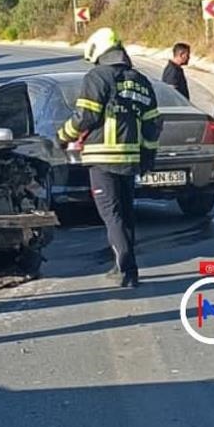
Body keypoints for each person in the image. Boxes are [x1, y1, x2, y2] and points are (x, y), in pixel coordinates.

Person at [58, 27, 162, 288]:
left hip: (102, 158)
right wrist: (148, 154)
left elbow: (86, 117)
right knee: (126, 214)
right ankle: (129, 268)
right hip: (130, 160)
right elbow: (152, 124)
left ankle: (124, 270)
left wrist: (61, 136)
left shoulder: (97, 76)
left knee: (111, 214)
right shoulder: (140, 80)